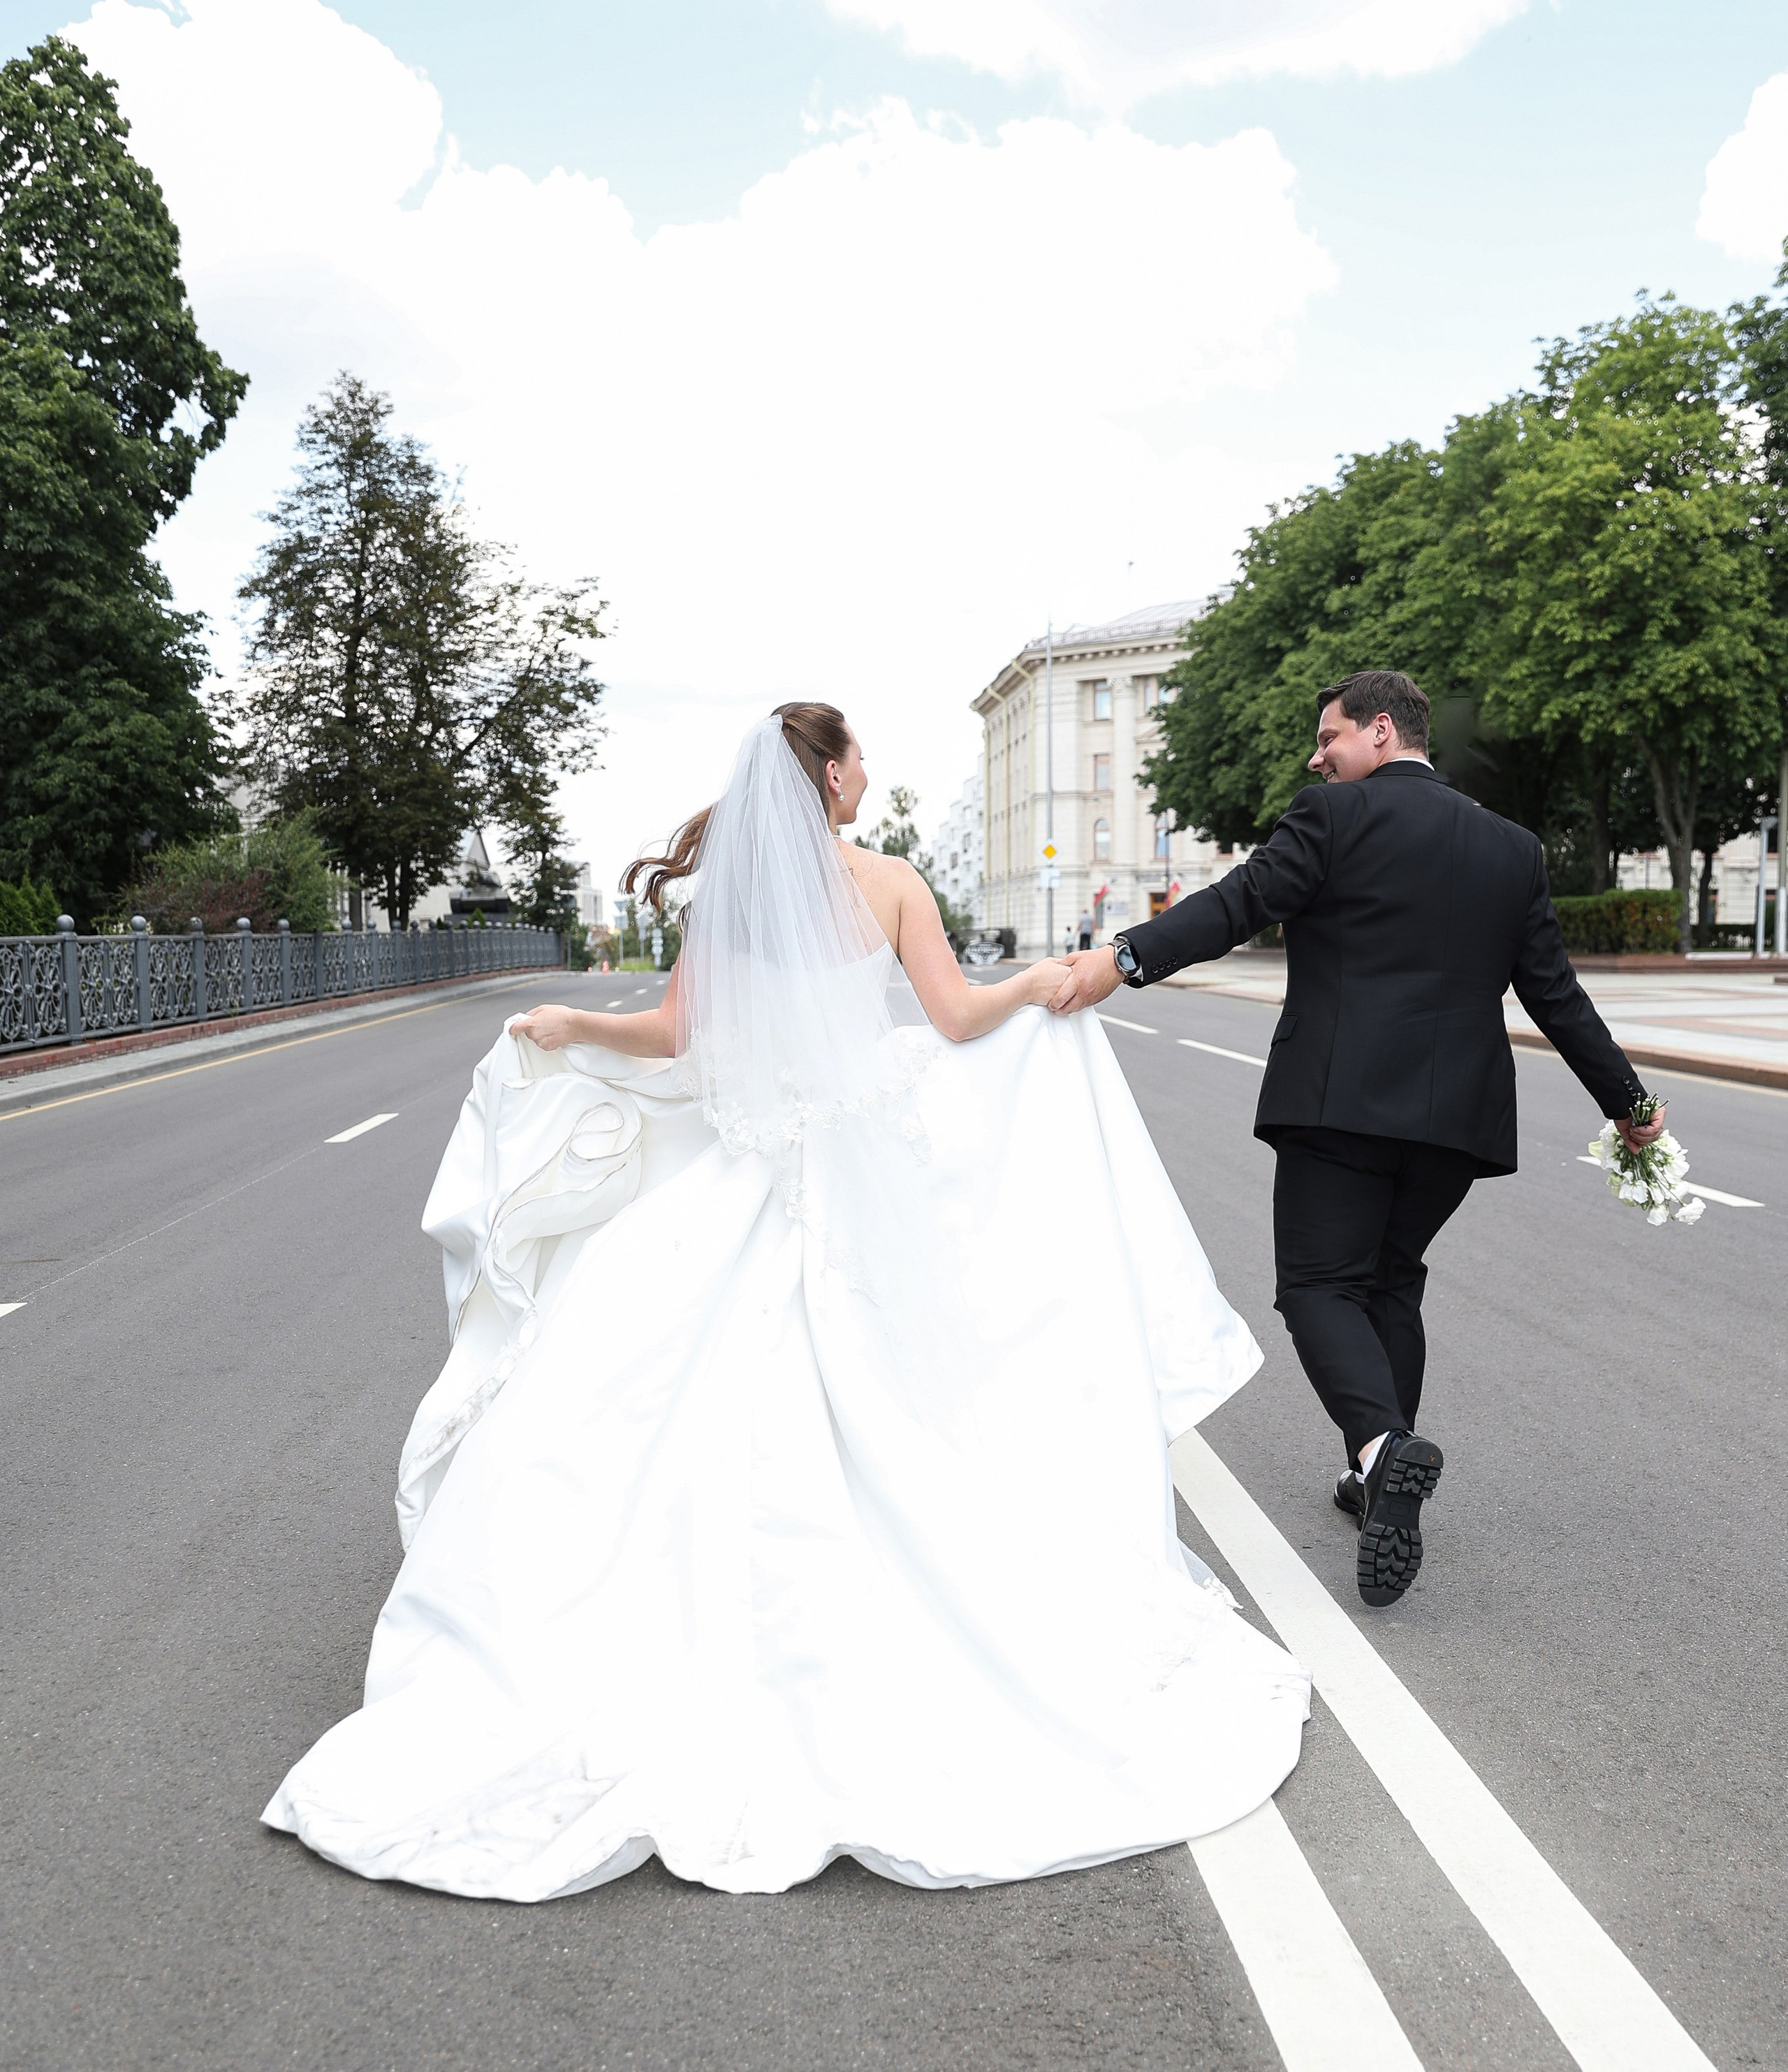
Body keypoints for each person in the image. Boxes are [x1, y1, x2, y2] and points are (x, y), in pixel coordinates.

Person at [265, 703, 1307, 1900]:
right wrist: (1036, 985)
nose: (871, 773)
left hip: (748, 1175)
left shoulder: (737, 901)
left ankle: (647, 1644)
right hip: (863, 1182)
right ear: (825, 772)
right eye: (858, 754)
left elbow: (672, 1034)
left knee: (649, 1393)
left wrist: (568, 1024)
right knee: (905, 1397)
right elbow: (958, 1022)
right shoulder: (895, 883)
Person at [1048, 670, 1662, 1610]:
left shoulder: (1333, 819)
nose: (1315, 755)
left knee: (1317, 1285)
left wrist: (1123, 958)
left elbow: (1240, 902)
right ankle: (1376, 1475)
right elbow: (1555, 995)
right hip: (1458, 1121)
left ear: (1382, 730)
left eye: (1328, 736)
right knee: (1390, 1278)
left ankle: (1382, 1449)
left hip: (1339, 1101)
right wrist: (1629, 1102)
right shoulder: (1512, 848)